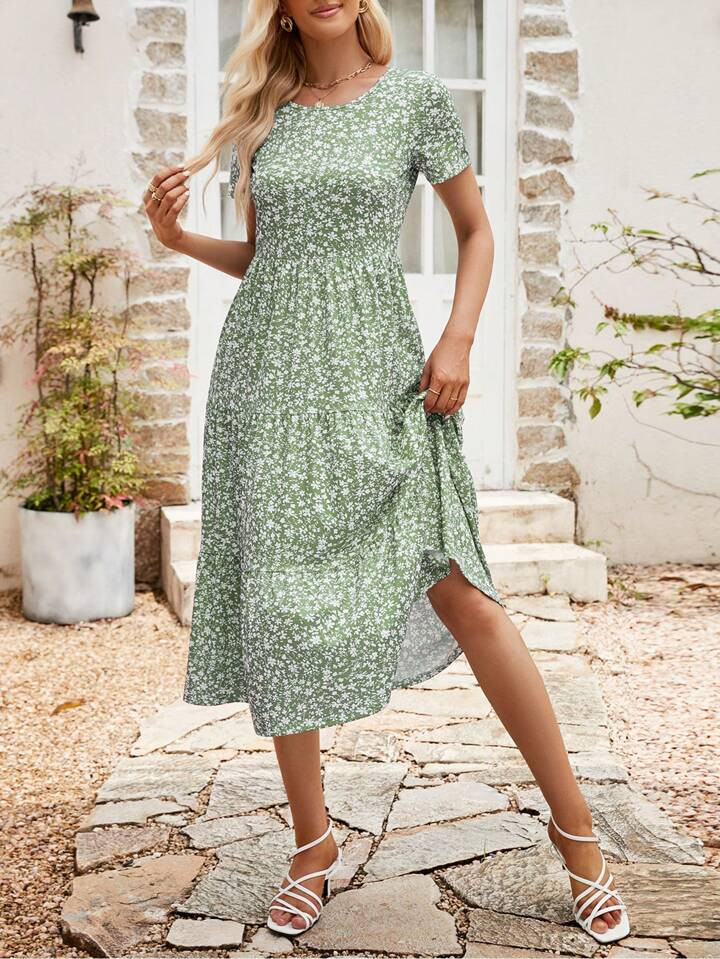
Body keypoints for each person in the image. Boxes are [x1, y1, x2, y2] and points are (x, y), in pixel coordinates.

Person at [142, 0, 629, 945]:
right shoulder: (264, 116)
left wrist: (459, 337)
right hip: (272, 381)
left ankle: (578, 836)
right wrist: (179, 242)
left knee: (463, 589)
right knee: (282, 603)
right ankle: (311, 845)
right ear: (281, 8)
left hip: (382, 374)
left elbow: (476, 231)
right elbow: (270, 260)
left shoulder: (414, 101)